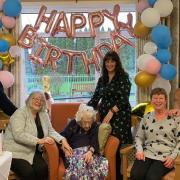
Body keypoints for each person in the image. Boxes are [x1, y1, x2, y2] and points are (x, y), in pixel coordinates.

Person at [3, 91, 72, 180]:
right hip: (16, 152)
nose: (38, 101)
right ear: (29, 100)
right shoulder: (20, 113)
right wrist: (39, 140)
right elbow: (18, 135)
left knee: (42, 169)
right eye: (35, 98)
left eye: (41, 100)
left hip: (32, 151)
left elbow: (50, 131)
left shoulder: (44, 114)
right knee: (28, 172)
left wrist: (63, 140)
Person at [87, 50, 132, 179]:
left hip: (120, 117)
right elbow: (95, 99)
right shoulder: (102, 79)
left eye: (112, 61)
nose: (110, 64)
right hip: (105, 117)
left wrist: (112, 112)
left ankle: (117, 176)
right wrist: (84, 109)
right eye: (107, 61)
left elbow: (124, 99)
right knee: (105, 148)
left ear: (117, 63)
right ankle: (105, 175)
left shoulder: (123, 77)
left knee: (115, 149)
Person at [131, 88, 180, 180]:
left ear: (166, 101)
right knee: (135, 174)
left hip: (166, 156)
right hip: (147, 153)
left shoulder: (175, 117)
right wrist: (139, 150)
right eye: (155, 98)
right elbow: (138, 137)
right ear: (151, 101)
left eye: (161, 98)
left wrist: (172, 157)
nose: (158, 101)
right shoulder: (146, 117)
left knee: (151, 178)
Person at [60, 103, 108, 180]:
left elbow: (95, 141)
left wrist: (90, 152)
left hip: (89, 153)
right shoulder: (73, 123)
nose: (87, 125)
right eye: (85, 122)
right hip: (74, 153)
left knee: (95, 163)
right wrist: (65, 148)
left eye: (89, 122)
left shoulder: (94, 125)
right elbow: (62, 135)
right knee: (80, 163)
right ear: (80, 119)